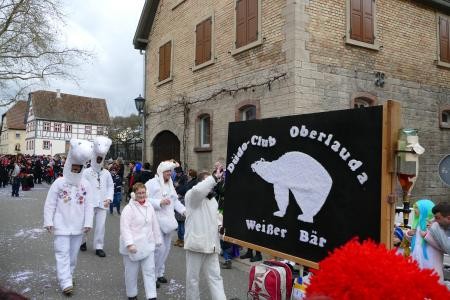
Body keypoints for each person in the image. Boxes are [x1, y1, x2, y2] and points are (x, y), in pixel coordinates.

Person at [43, 139, 94, 296]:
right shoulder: (59, 183)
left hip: (78, 227)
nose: (76, 169)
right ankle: (65, 281)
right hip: (61, 225)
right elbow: (50, 203)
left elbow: (89, 205)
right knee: (62, 252)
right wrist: (48, 221)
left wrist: (88, 223)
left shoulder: (85, 184)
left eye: (79, 168)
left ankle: (69, 276)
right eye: (74, 166)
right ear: (69, 165)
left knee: (73, 255)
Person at [184, 167, 227, 300]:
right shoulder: (192, 196)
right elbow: (199, 190)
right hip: (196, 245)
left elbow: (216, 219)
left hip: (212, 245)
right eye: (208, 182)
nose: (212, 185)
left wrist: (220, 227)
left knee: (215, 277)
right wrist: (213, 178)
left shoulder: (212, 200)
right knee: (193, 279)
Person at [146, 160, 186, 285]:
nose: (170, 173)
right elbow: (143, 198)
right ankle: (151, 276)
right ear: (161, 171)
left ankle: (159, 273)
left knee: (166, 249)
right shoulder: (151, 183)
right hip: (156, 221)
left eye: (171, 171)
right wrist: (159, 202)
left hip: (169, 222)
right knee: (159, 249)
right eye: (168, 171)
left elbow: (175, 201)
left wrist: (184, 211)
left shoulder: (170, 185)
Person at [120, 183, 162, 300]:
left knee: (150, 271)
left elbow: (154, 224)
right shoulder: (128, 209)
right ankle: (132, 295)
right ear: (134, 194)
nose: (141, 195)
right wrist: (129, 244)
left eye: (143, 193)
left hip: (147, 244)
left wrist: (158, 239)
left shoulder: (150, 207)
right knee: (131, 273)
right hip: (133, 247)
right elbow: (125, 228)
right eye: (139, 193)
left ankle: (152, 296)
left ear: (146, 193)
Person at [80, 136, 113, 257]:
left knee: (101, 226)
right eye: (97, 158)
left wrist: (109, 198)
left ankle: (99, 246)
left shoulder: (106, 173)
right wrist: (84, 199)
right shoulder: (86, 172)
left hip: (102, 203)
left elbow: (110, 186)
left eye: (101, 158)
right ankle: (82, 241)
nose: (99, 160)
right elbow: (82, 187)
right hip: (89, 203)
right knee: (86, 223)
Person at [406, 199, 444, 281]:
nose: (414, 210)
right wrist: (409, 234)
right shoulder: (417, 223)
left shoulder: (435, 224)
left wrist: (426, 235)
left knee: (431, 281)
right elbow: (415, 242)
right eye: (414, 208)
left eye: (417, 208)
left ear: (425, 210)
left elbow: (441, 244)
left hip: (431, 259)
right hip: (417, 257)